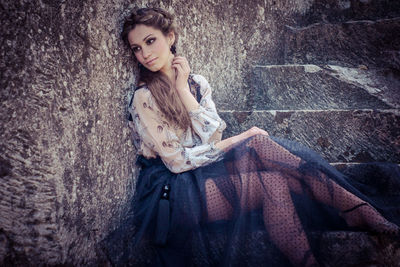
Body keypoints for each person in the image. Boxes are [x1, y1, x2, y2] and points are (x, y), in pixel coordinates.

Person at [100, 7, 400, 267]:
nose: (145, 54)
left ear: (171, 37)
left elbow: (213, 133)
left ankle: (348, 215)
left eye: (150, 41)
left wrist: (181, 91)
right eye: (136, 48)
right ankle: (352, 209)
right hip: (172, 192)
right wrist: (242, 138)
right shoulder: (144, 97)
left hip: (203, 170)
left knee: (270, 170)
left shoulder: (196, 84)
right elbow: (178, 162)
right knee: (259, 152)